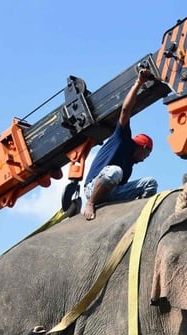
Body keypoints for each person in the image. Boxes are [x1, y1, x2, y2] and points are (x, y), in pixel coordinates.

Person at [80, 68, 158, 221]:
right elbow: (125, 110)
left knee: (150, 183)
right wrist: (139, 83)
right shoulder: (122, 139)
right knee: (115, 171)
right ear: (143, 147)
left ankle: (137, 217)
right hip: (94, 187)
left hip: (112, 191)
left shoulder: (129, 166)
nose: (144, 159)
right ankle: (91, 202)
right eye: (146, 155)